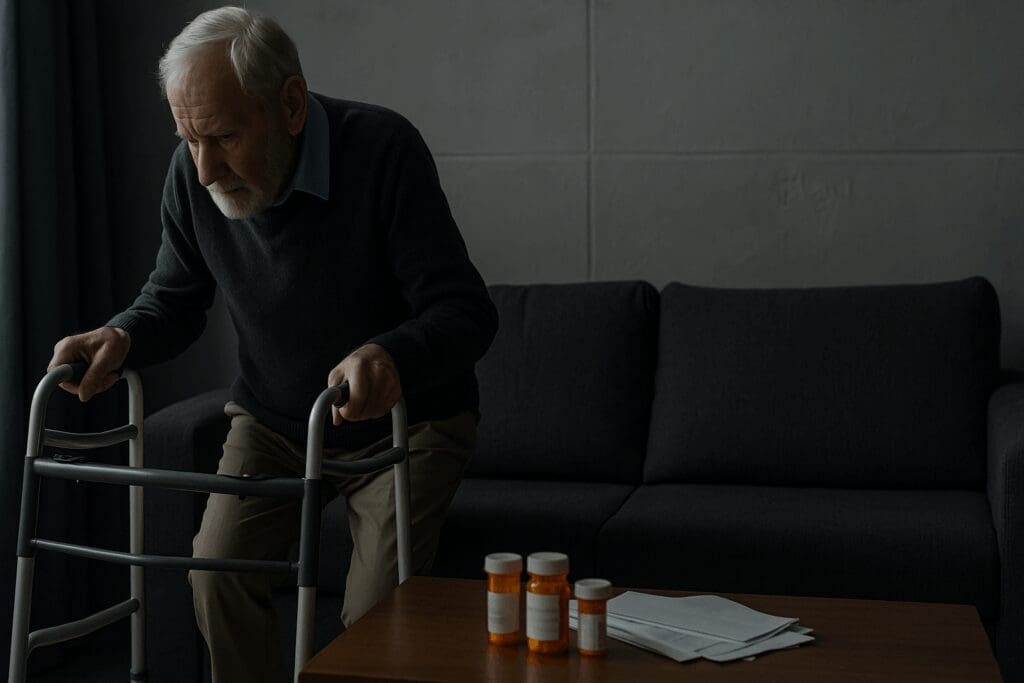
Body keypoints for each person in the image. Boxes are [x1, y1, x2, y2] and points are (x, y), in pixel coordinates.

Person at [46, 6, 498, 682]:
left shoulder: (382, 149)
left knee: (373, 619)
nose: (202, 169)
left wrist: (391, 355)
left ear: (289, 106)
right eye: (188, 138)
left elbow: (467, 311)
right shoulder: (192, 173)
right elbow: (173, 298)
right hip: (276, 421)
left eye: (223, 137)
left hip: (411, 422)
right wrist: (122, 335)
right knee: (214, 572)